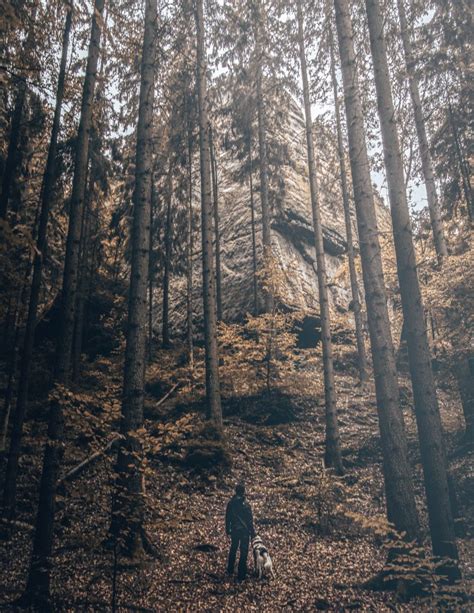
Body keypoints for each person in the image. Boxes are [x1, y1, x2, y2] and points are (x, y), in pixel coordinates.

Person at [225, 483, 256, 581]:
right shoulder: (246, 504)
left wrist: (227, 529)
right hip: (244, 531)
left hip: (234, 529)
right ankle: (241, 574)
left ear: (235, 491)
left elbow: (227, 517)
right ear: (243, 492)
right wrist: (253, 532)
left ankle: (230, 569)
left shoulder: (230, 503)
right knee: (244, 552)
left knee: (233, 549)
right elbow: (249, 520)